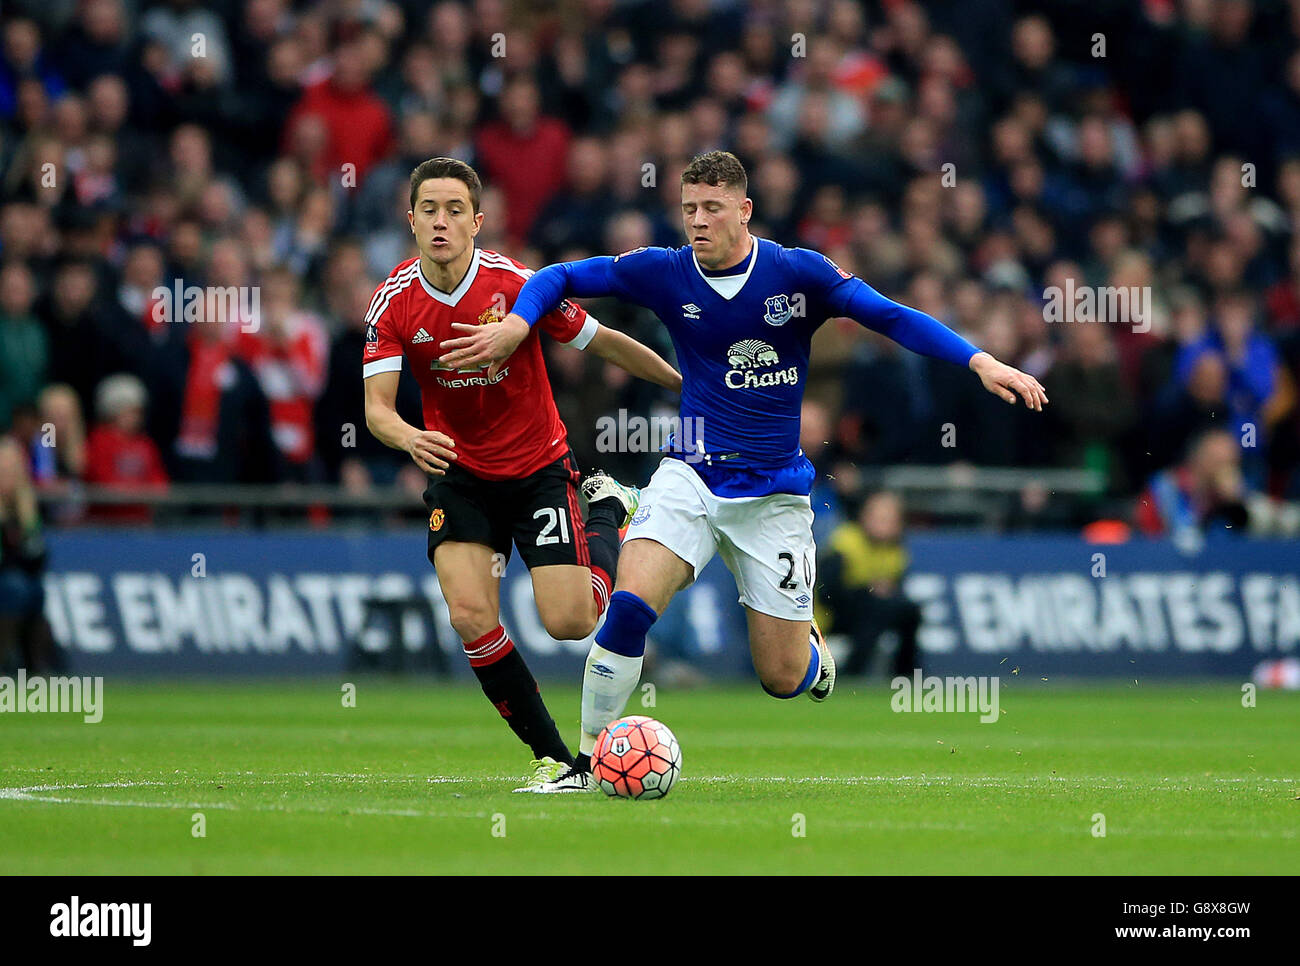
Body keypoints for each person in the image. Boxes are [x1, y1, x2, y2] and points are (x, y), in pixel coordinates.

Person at [441, 150, 1048, 792]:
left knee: (781, 678)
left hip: (774, 496)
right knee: (627, 609)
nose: (698, 221)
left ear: (744, 210)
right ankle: (586, 764)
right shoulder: (663, 272)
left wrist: (980, 361)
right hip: (691, 476)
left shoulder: (798, 273)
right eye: (689, 209)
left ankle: (813, 656)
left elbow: (891, 316)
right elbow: (557, 276)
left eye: (712, 208)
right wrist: (516, 322)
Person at [362, 157, 680, 790]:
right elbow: (375, 410)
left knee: (570, 622)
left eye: (455, 211)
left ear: (478, 222)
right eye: (429, 210)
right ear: (411, 220)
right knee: (469, 614)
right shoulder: (393, 302)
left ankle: (608, 509)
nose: (441, 223)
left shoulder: (515, 287)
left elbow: (603, 341)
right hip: (459, 474)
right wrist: (409, 436)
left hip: (538, 469)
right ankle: (560, 759)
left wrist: (685, 383)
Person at [819, 491, 922, 678]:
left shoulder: (896, 552)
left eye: (890, 519)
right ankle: (853, 674)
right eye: (879, 518)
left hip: (874, 612)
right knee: (873, 608)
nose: (885, 525)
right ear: (864, 516)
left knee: (910, 610)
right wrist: (868, 591)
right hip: (834, 616)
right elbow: (827, 592)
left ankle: (906, 675)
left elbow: (896, 591)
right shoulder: (845, 542)